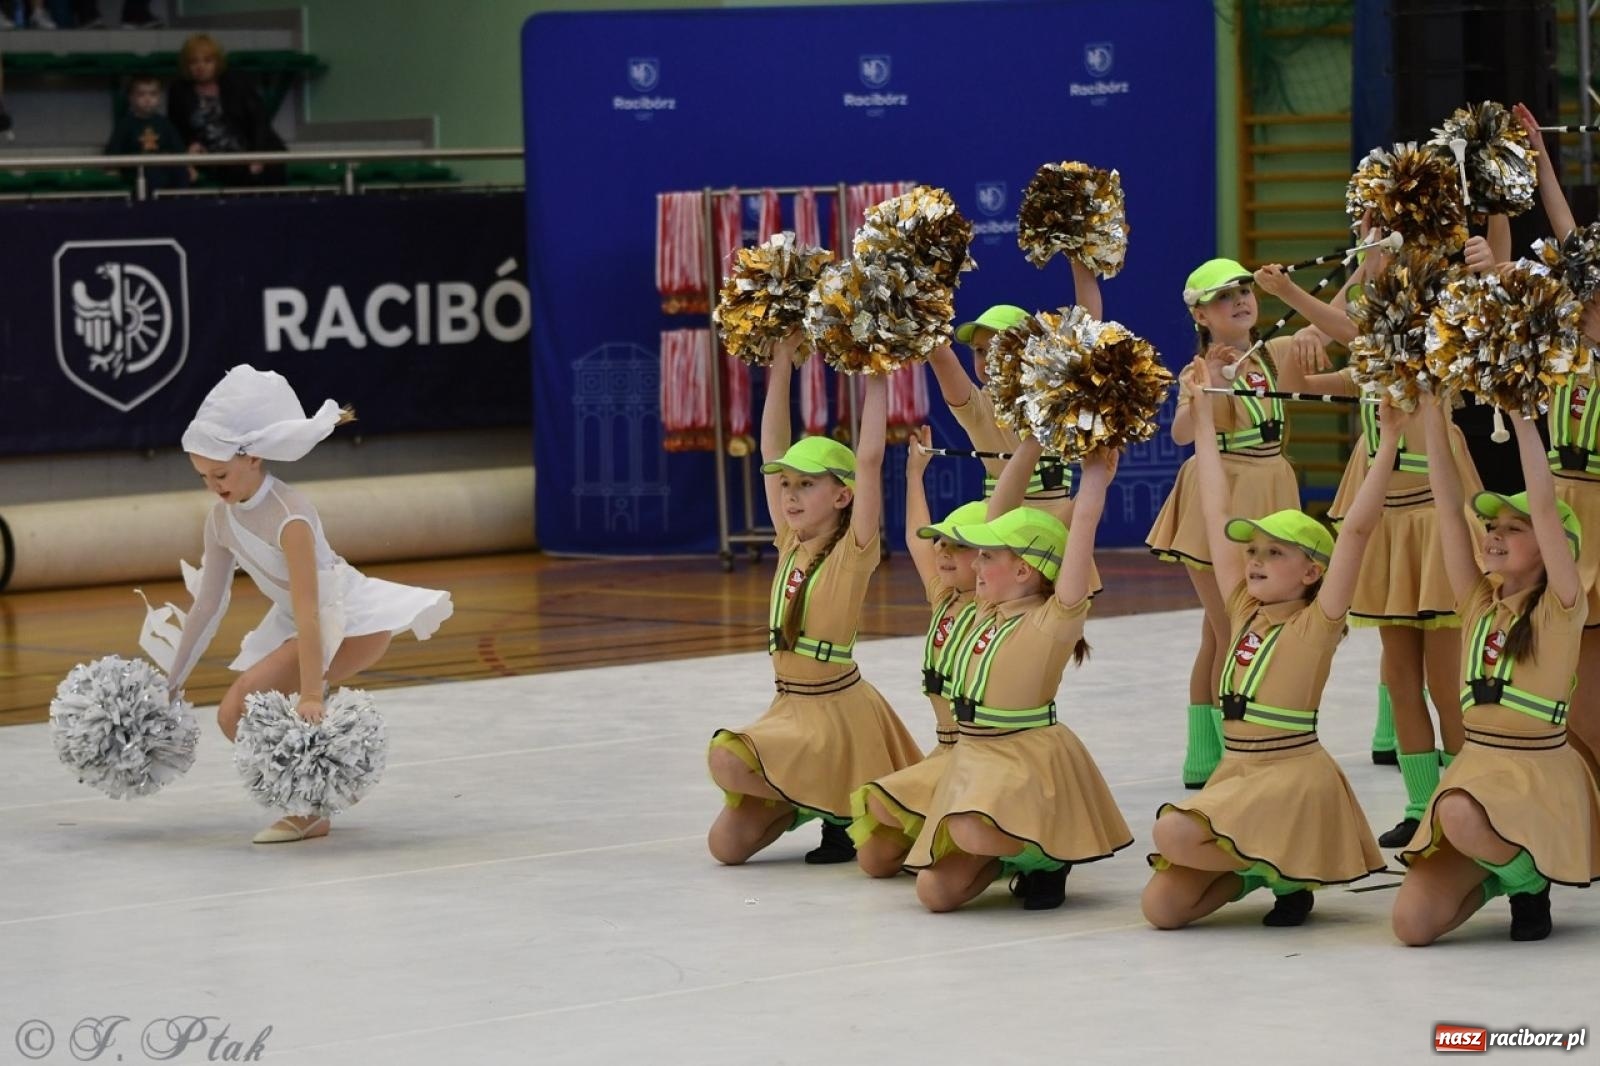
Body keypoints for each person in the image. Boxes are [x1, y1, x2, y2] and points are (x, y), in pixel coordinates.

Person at [139, 365, 453, 844]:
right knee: (236, 713)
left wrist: (310, 693)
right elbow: (208, 606)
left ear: (253, 457)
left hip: (348, 623)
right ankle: (314, 798)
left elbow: (314, 611)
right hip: (300, 622)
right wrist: (171, 683)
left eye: (220, 474)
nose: (214, 487)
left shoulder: (291, 518)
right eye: (203, 476)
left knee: (239, 706)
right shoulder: (220, 522)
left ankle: (311, 808)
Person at [1141, 357, 1397, 930]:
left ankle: (1286, 867)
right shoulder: (1242, 608)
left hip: (1290, 776)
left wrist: (1391, 440)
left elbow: (1354, 530)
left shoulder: (1319, 622)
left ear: (1312, 573)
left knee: (1172, 830)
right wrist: (1203, 419)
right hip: (1239, 773)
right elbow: (1215, 509)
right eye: (1251, 552)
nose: (1253, 561)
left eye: (1273, 553)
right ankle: (1259, 867)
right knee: (1161, 909)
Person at [1266, 236, 1489, 847]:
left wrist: (1292, 295)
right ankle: (1421, 804)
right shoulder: (1370, 366)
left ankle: (1465, 799)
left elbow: (1359, 332)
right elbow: (1299, 381)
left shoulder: (1432, 355)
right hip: (1388, 529)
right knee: (1399, 678)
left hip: (1432, 524)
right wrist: (1303, 340)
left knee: (1448, 683)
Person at [706, 334, 922, 866]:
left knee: (728, 757)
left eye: (806, 485)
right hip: (791, 707)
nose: (791, 495)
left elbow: (869, 461)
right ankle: (808, 802)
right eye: (787, 487)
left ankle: (843, 816)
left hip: (837, 714)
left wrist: (876, 373)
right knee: (725, 848)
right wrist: (780, 360)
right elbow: (770, 449)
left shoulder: (853, 552)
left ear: (842, 496)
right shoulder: (788, 540)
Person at [1392, 395, 1600, 944]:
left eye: (1516, 527)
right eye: (1493, 524)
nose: (1496, 533)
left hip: (1535, 778)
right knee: (1411, 926)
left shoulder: (1561, 607)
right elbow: (1446, 502)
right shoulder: (1477, 601)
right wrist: (1432, 416)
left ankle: (1529, 883)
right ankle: (1503, 876)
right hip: (1478, 772)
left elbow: (1548, 499)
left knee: (1459, 814)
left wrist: (1523, 417)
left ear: (1556, 545)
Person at [904, 433, 1131, 912]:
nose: (975, 565)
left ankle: (1047, 858)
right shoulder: (982, 607)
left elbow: (1083, 524)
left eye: (988, 556)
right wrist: (1031, 437)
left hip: (1026, 762)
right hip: (973, 756)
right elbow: (999, 510)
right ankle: (1014, 856)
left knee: (966, 830)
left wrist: (1094, 481)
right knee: (933, 892)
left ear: (1026, 570)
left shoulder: (1055, 618)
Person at [1146, 259, 1303, 790]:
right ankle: (1226, 747)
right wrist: (1209, 384)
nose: (1239, 300)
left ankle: (1209, 748)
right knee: (1230, 628)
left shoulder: (1275, 355)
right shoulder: (1199, 369)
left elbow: (1336, 319)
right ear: (1200, 314)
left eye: (1242, 290)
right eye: (1222, 297)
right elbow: (1184, 434)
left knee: (1223, 632)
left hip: (1271, 490)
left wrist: (1364, 264)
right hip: (1221, 496)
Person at [848, 425, 985, 878]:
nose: (943, 554)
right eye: (942, 544)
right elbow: (914, 538)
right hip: (945, 754)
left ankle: (1005, 853)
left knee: (936, 871)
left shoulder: (998, 608)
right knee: (873, 857)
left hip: (984, 759)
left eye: (958, 546)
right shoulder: (943, 597)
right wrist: (914, 475)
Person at [1513, 101, 1600, 777]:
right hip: (1561, 510)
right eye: (1585, 296)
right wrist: (1540, 157)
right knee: (1562, 686)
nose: (1588, 305)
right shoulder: (1569, 350)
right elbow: (1567, 232)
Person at [928, 260, 1103, 592]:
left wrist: (1080, 257)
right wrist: (919, 292)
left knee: (1057, 631)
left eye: (1000, 347)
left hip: (1058, 526)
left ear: (1032, 352)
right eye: (980, 351)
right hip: (998, 529)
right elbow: (939, 353)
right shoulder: (978, 407)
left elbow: (1088, 329)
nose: (988, 359)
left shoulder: (1058, 395)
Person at [167, 33, 286, 186]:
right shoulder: (179, 90)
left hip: (249, 147)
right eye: (193, 62)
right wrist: (190, 145)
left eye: (207, 61)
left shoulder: (237, 81)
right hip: (212, 156)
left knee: (269, 170)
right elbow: (175, 128)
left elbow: (259, 120)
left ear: (217, 62)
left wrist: (257, 155)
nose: (200, 67)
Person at [105, 75, 190, 191]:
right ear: (131, 98)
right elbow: (114, 150)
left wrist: (188, 166)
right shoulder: (125, 124)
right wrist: (113, 169)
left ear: (159, 97)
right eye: (141, 95)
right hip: (137, 169)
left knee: (181, 173)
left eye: (153, 94)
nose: (147, 99)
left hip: (163, 165)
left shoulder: (165, 123)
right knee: (152, 174)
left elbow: (178, 148)